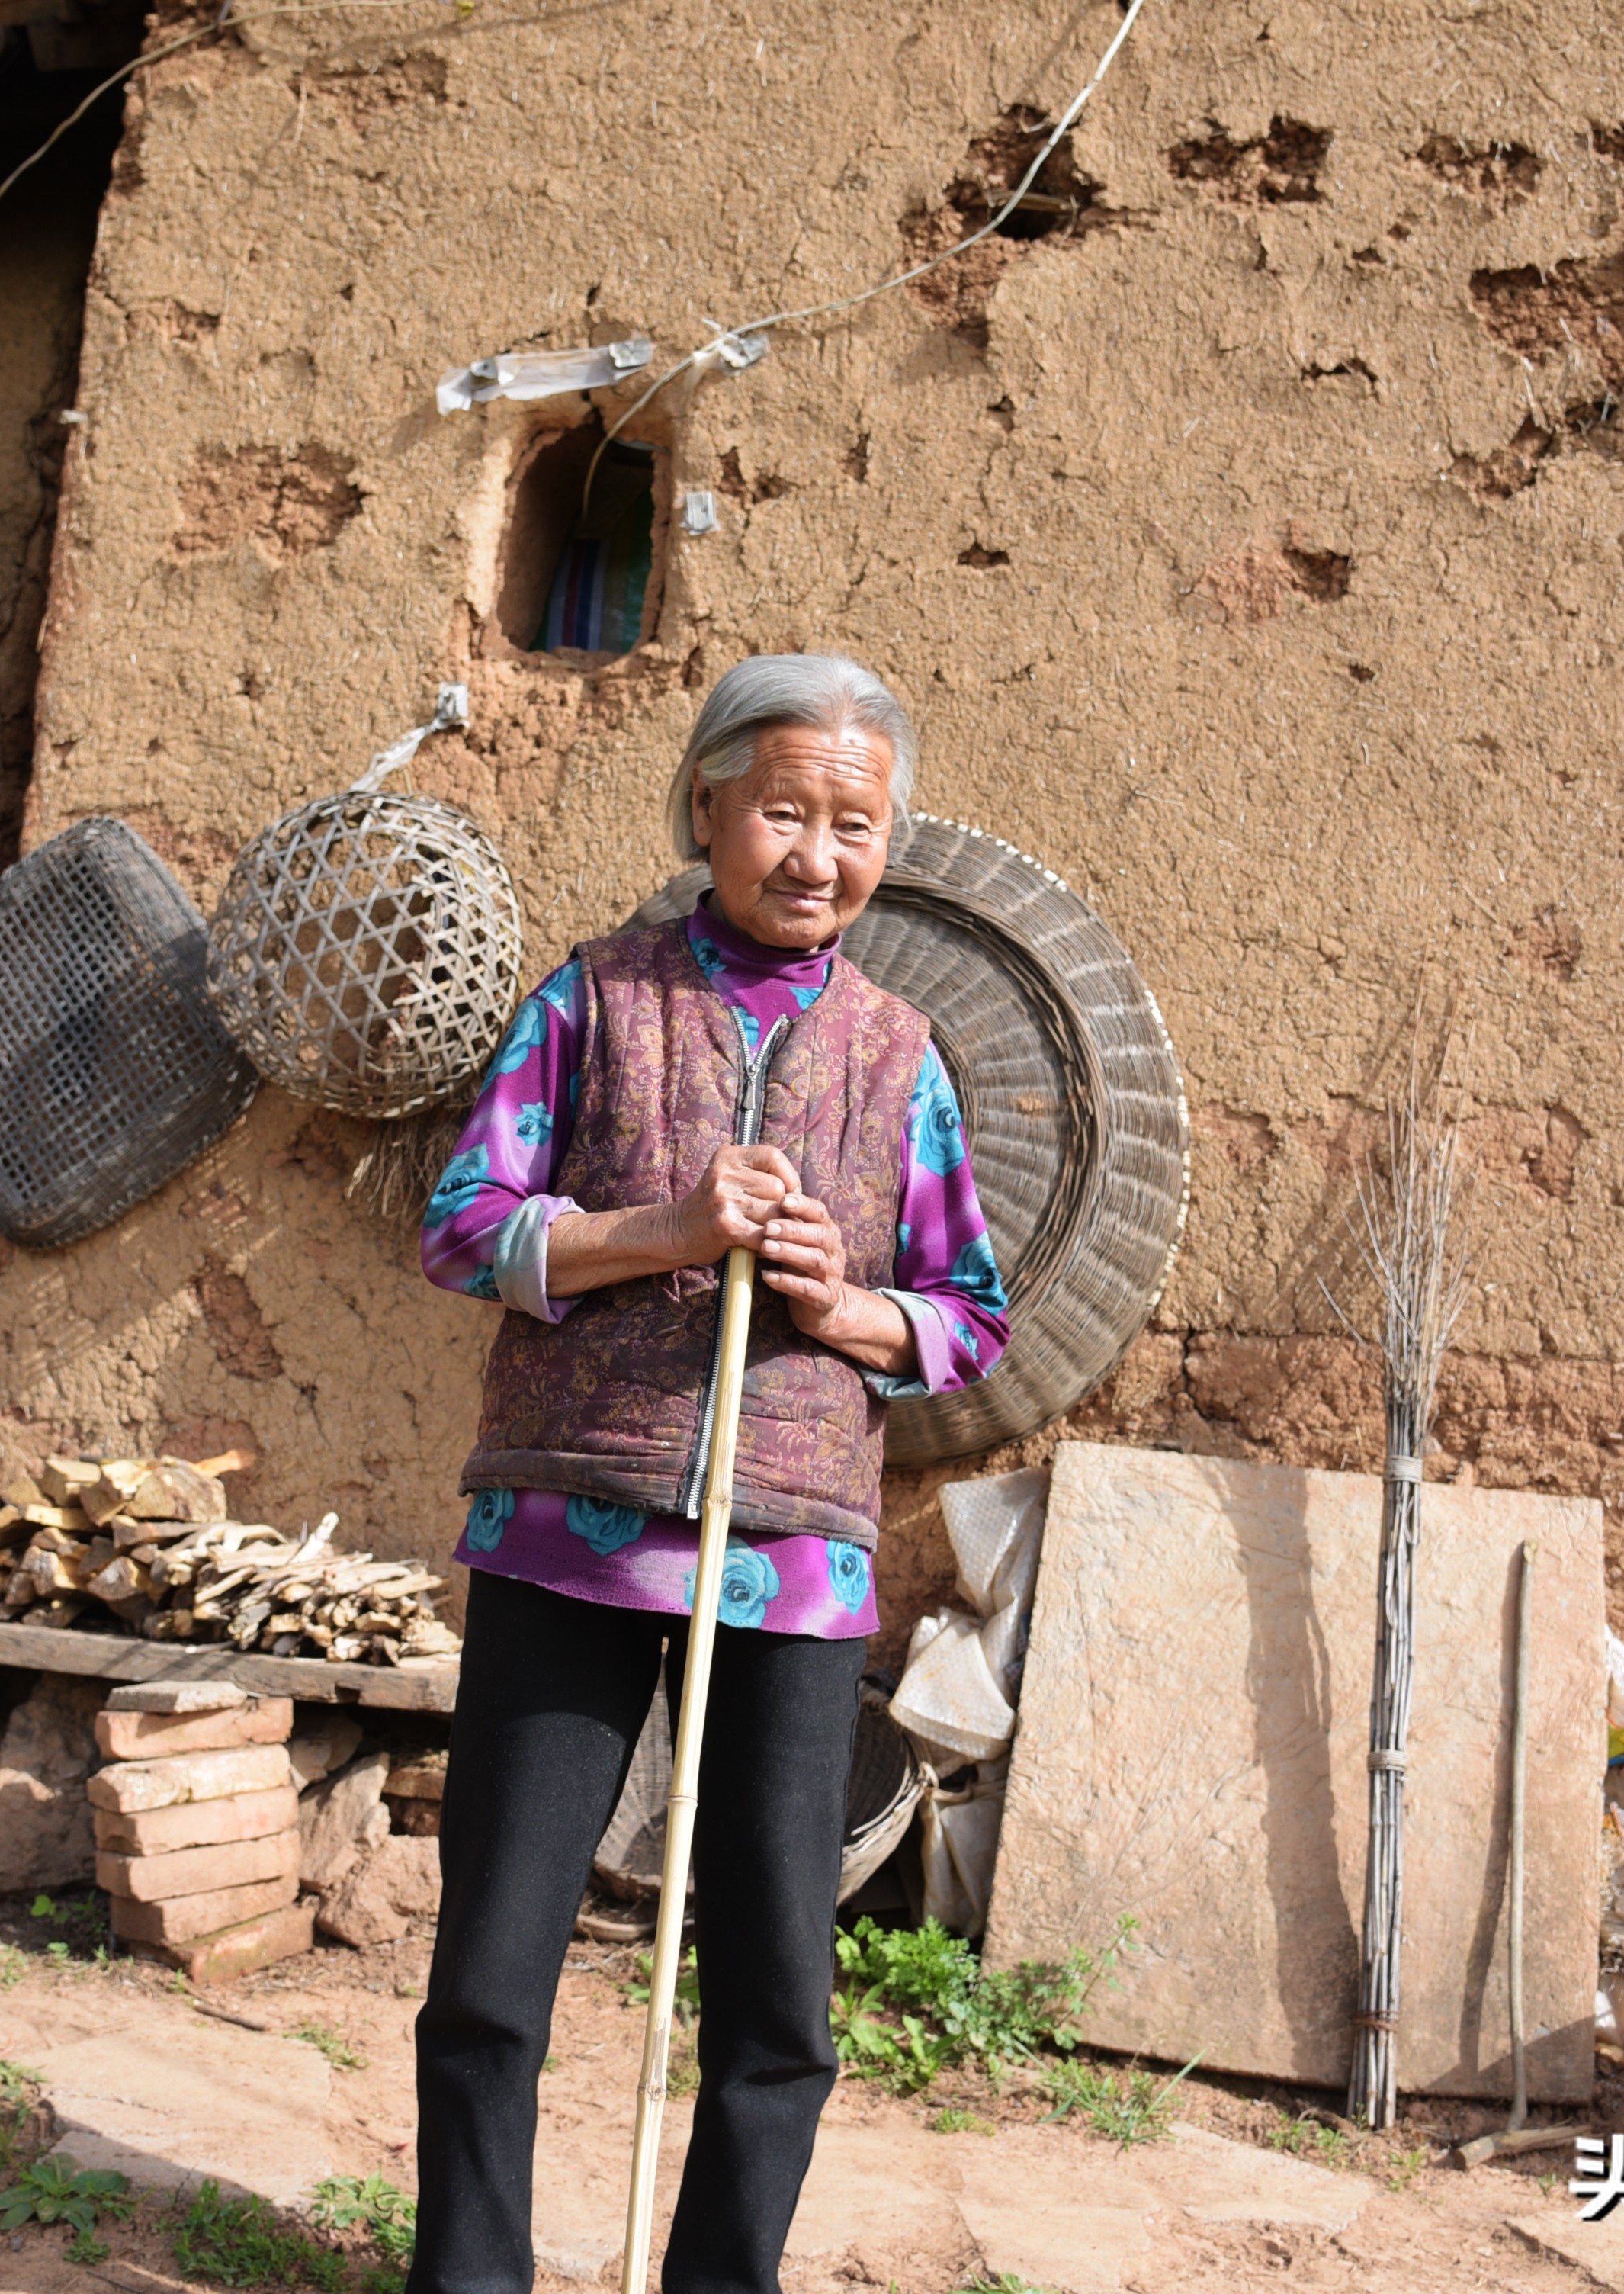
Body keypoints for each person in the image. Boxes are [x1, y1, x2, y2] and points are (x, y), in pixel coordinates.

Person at [410, 653, 1010, 2294]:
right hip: (566, 1536)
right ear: (707, 809)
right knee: (492, 1966)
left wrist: (844, 1304)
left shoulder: (903, 1056)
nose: (817, 854)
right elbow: (464, 1225)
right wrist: (659, 1233)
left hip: (794, 1557)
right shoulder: (593, 1001)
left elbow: (969, 1319)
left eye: (854, 823)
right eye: (784, 811)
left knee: (774, 1992)